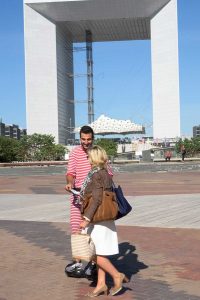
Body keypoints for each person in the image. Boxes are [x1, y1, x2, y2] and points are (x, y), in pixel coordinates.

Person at [80, 145, 128, 297]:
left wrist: (86, 219)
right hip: (106, 217)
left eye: (89, 156)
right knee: (101, 252)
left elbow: (96, 199)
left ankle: (116, 275)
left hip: (97, 219)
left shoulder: (95, 174)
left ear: (94, 158)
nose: (87, 159)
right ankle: (101, 284)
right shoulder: (105, 172)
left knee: (93, 253)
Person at [65, 126, 113, 279]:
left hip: (93, 198)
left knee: (93, 231)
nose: (86, 142)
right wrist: (70, 183)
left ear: (93, 138)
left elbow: (109, 173)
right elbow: (70, 172)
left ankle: (93, 265)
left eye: (89, 139)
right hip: (77, 196)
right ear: (79, 138)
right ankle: (78, 263)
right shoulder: (75, 153)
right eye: (83, 139)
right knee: (76, 229)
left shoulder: (98, 153)